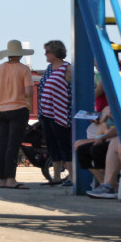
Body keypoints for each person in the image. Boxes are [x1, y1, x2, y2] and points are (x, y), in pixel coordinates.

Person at [0, 39, 34, 189]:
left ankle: (2, 179)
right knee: (13, 145)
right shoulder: (24, 70)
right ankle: (11, 179)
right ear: (20, 55)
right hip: (19, 108)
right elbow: (29, 92)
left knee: (2, 144)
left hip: (1, 110)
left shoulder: (0, 68)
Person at [37, 40, 73, 186]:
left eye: (47, 52)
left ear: (55, 52)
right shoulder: (49, 68)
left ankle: (72, 176)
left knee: (64, 144)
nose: (45, 54)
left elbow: (73, 88)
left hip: (61, 113)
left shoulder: (67, 68)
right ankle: (56, 177)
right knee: (52, 145)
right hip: (46, 112)